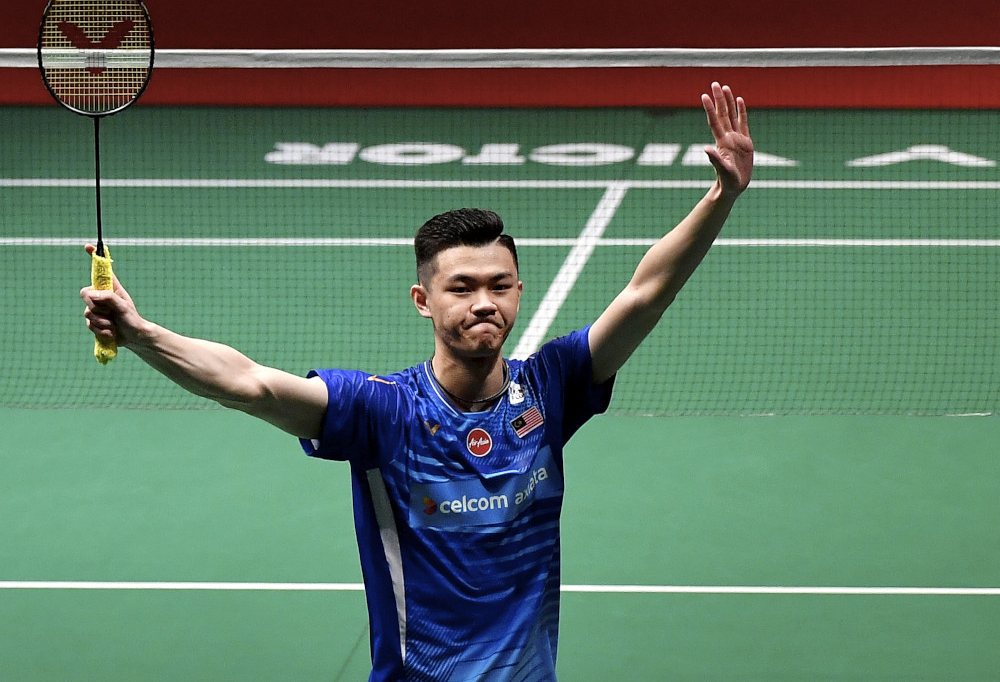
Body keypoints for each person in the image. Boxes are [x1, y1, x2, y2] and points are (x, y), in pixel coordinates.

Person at [81, 82, 753, 682]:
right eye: (460, 287)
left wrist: (722, 195)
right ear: (423, 301)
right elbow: (251, 384)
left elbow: (645, 295)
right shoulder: (384, 411)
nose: (483, 302)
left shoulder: (551, 387)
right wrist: (141, 333)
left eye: (498, 285)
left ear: (520, 291)